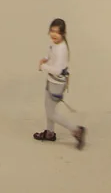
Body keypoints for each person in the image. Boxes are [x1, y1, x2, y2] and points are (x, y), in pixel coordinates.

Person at [34, 18, 86, 148]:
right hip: (51, 80)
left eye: (57, 32)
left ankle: (76, 130)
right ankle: (50, 133)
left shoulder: (62, 50)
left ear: (63, 33)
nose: (53, 34)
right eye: (52, 31)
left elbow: (58, 70)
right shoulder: (54, 44)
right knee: (48, 107)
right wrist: (45, 59)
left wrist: (43, 66)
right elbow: (50, 54)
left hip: (56, 83)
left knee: (51, 113)